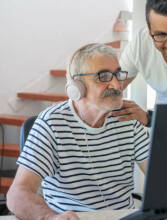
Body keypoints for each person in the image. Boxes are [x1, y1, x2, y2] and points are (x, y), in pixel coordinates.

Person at [6, 43, 150, 220]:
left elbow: (161, 176)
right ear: (77, 87)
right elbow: (17, 194)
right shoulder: (52, 123)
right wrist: (51, 218)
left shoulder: (128, 118)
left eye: (118, 74)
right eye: (103, 76)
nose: (117, 84)